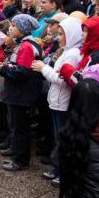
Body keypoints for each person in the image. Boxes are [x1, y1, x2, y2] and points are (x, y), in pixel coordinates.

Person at [32, 17, 83, 186]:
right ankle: (56, 168)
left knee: (63, 138)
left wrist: (44, 68)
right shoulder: (66, 51)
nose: (58, 37)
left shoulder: (73, 54)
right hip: (56, 100)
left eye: (62, 34)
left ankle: (63, 172)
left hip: (63, 101)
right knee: (57, 136)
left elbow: (63, 79)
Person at [0, 14, 43, 171]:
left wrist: (3, 69)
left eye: (14, 26)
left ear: (22, 29)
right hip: (17, 93)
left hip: (21, 94)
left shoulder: (26, 46)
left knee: (20, 126)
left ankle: (20, 159)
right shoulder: (21, 44)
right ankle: (15, 150)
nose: (10, 29)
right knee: (15, 125)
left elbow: (22, 72)